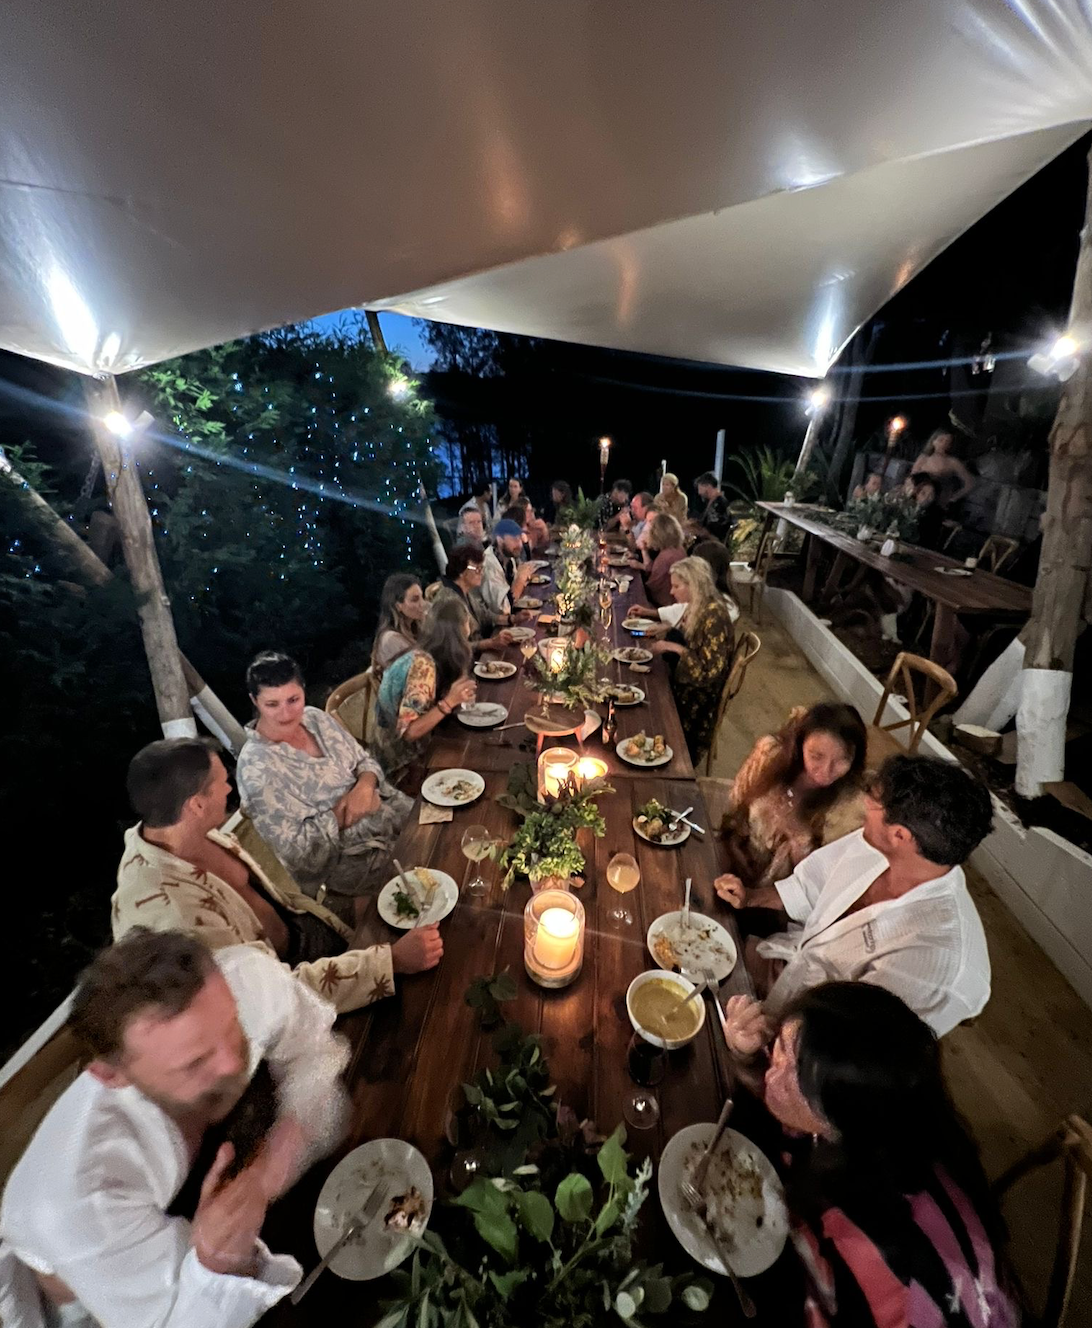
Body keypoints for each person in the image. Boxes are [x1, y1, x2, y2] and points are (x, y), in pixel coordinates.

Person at [0, 929, 351, 1327]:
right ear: (113, 1076)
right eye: (194, 1063)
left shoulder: (245, 980)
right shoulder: (83, 1198)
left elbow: (315, 1051)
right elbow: (173, 1320)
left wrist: (281, 1152)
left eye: (231, 1026)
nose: (231, 1064)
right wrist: (216, 1265)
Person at [721, 982, 1017, 1328]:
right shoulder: (887, 1116)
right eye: (782, 1048)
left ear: (842, 1121)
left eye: (795, 1080)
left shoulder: (874, 1256)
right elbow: (785, 1118)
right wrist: (747, 1055)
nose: (772, 1075)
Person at [113, 739, 441, 1013]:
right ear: (196, 805)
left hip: (306, 928)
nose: (229, 787)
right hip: (294, 998)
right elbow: (265, 998)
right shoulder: (174, 915)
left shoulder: (182, 830)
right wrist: (391, 962)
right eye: (221, 781)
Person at [715, 754, 994, 1036]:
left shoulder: (936, 963)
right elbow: (812, 885)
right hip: (784, 967)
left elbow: (851, 1043)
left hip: (809, 1038)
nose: (864, 806)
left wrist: (754, 1046)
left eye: (873, 804)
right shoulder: (878, 844)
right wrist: (750, 898)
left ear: (900, 835)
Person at [236, 652, 412, 901]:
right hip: (351, 857)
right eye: (272, 704)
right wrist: (348, 810)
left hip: (387, 807)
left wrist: (364, 786)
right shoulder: (255, 769)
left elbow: (364, 760)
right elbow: (298, 854)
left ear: (303, 690)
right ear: (254, 701)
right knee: (427, 872)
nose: (286, 714)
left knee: (444, 828)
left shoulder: (315, 718)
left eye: (293, 699)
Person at [720, 703, 868, 891]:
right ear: (800, 744)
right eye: (816, 756)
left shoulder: (851, 807)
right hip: (729, 859)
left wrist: (799, 838)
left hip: (775, 898)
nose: (825, 771)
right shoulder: (770, 755)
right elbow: (736, 806)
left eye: (841, 761)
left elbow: (818, 885)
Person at [373, 596, 477, 783]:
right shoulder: (423, 665)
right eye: (467, 620)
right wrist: (449, 702)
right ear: (461, 628)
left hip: (424, 741)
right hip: (400, 762)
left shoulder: (433, 651)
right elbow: (409, 733)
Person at [647, 556, 735, 761]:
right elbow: (691, 641)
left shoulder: (714, 616)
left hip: (698, 701)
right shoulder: (700, 606)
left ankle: (673, 760)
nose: (671, 592)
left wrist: (672, 647)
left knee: (651, 698)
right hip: (687, 682)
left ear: (693, 585)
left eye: (676, 586)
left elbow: (708, 672)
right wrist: (667, 630)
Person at [434, 542, 516, 651]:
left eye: (482, 568)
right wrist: (490, 643)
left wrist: (512, 619)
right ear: (461, 571)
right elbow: (455, 648)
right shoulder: (449, 602)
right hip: (467, 658)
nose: (481, 573)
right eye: (477, 569)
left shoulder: (465, 591)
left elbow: (484, 615)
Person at [370, 573, 426, 680]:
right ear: (398, 606)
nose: (422, 604)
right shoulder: (391, 640)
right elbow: (420, 671)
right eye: (415, 600)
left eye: (422, 597)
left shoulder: (414, 628)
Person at [630, 510, 686, 607]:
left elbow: (651, 585)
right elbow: (652, 570)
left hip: (664, 605)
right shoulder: (678, 548)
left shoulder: (666, 556)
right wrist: (644, 550)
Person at [481, 518, 535, 618]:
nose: (519, 545)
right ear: (500, 540)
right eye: (514, 539)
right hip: (493, 624)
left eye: (520, 539)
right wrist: (520, 580)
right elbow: (502, 609)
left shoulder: (509, 559)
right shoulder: (489, 564)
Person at [911, 429, 975, 509]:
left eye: (947, 442)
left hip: (938, 502)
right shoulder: (924, 458)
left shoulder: (953, 462)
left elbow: (970, 482)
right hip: (917, 498)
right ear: (933, 441)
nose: (943, 444)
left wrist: (954, 497)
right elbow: (912, 477)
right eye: (941, 440)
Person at [694, 471, 733, 543]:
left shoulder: (718, 504)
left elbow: (714, 532)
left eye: (700, 488)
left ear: (708, 486)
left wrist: (695, 530)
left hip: (713, 545)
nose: (699, 492)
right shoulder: (714, 501)